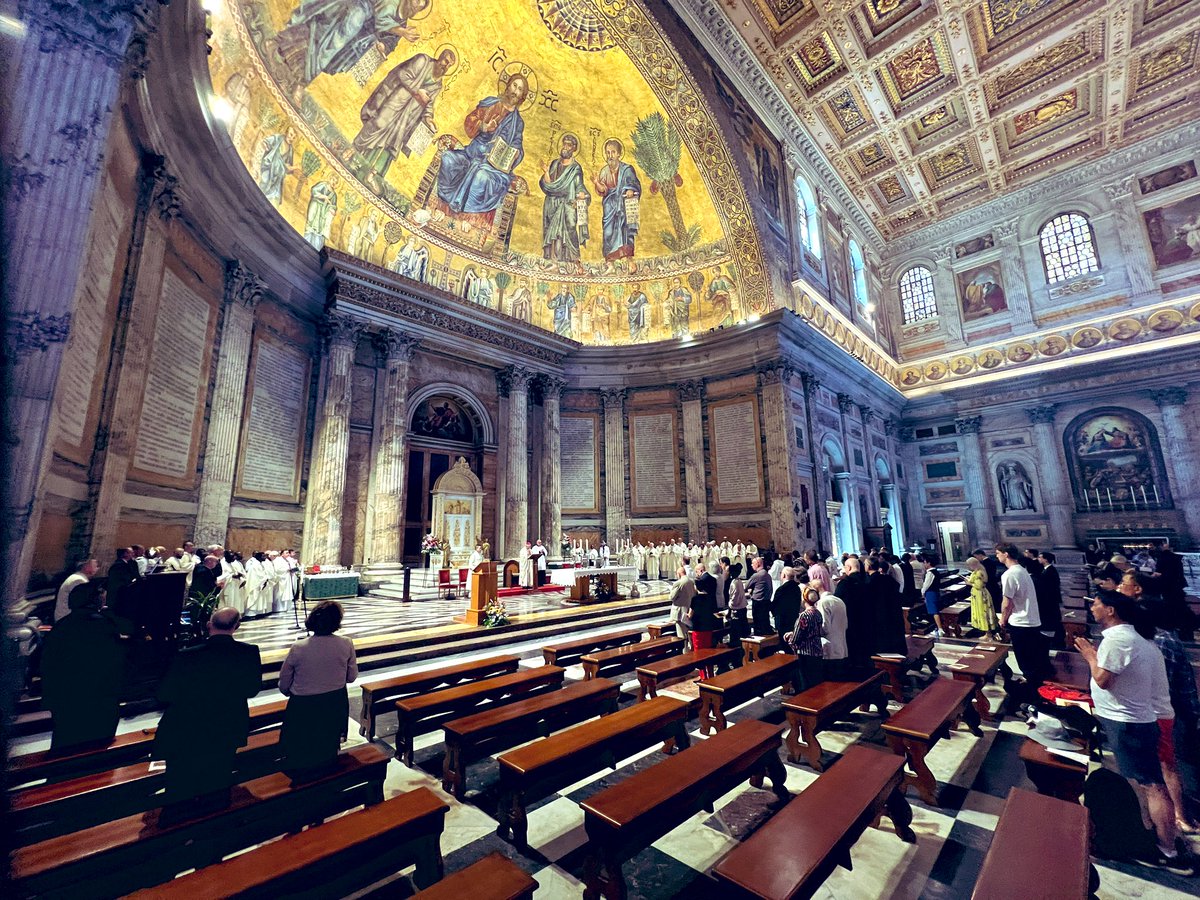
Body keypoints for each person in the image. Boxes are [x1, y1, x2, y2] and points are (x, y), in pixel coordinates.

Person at [1075, 593, 1193, 874]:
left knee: (1152, 784)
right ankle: (1157, 832)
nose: (1092, 607)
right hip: (1134, 719)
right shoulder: (1133, 638)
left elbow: (1103, 680)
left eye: (1096, 603)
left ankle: (1167, 850)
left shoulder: (1119, 639)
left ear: (1111, 610)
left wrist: (1089, 654)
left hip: (1129, 722)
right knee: (1147, 781)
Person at [153, 607, 262, 818]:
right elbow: (252, 689)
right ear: (237, 627)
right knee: (218, 777)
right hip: (227, 725)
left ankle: (176, 822)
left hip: (187, 726)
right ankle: (214, 824)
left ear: (209, 625)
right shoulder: (248, 652)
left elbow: (164, 693)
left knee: (180, 782)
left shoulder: (187, 655)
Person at [1123, 574, 1200, 832]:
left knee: (1169, 766)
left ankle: (1180, 816)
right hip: (1170, 710)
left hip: (1168, 712)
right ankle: (1180, 813)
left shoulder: (1161, 642)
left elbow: (1160, 683)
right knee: (1170, 765)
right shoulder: (1162, 639)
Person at [351, 49, 456, 192]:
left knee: (393, 143)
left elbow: (429, 103)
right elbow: (402, 74)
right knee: (377, 124)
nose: (446, 66)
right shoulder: (423, 61)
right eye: (446, 61)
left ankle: (372, 176)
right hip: (397, 99)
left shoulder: (438, 85)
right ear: (440, 57)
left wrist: (428, 118)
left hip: (410, 114)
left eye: (449, 65)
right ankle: (352, 151)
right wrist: (417, 90)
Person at [435, 75, 529, 227]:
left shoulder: (518, 122)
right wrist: (484, 127)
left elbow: (517, 145)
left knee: (481, 176)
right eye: (514, 85)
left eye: (520, 89)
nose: (515, 91)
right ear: (507, 86)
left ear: (522, 96)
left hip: (493, 167)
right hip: (471, 154)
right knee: (448, 159)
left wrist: (516, 153)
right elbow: (470, 120)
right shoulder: (490, 103)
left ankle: (468, 217)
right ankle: (443, 206)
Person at [41, 582, 125, 751]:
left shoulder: (61, 627)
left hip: (66, 699)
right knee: (97, 747)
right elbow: (116, 661)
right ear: (95, 601)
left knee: (65, 744)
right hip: (99, 698)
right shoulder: (105, 626)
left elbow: (47, 665)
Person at [279, 601, 358, 779]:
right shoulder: (346, 643)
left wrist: (291, 691)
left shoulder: (299, 647)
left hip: (304, 706)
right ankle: (327, 776)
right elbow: (352, 677)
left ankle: (303, 778)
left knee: (303, 746)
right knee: (328, 745)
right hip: (334, 702)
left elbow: (284, 683)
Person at [996, 543, 1049, 691]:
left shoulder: (1009, 574)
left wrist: (1002, 619)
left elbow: (1007, 602)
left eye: (998, 553)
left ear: (1006, 554)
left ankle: (1032, 692)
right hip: (1031, 620)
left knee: (1025, 659)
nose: (997, 556)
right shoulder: (1022, 570)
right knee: (1031, 657)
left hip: (1020, 622)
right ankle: (1034, 685)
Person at [540, 133, 590, 263]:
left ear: (574, 148)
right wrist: (546, 172)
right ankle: (554, 261)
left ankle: (573, 260)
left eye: (569, 145)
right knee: (553, 232)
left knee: (569, 227)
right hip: (552, 203)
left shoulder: (575, 168)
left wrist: (581, 194)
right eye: (564, 144)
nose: (565, 147)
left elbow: (579, 185)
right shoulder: (555, 164)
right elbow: (549, 184)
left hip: (567, 203)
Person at [594, 138, 641, 260]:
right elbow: (603, 190)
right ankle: (610, 261)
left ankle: (629, 260)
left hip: (623, 204)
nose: (610, 155)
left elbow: (634, 184)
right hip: (609, 206)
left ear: (619, 154)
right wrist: (596, 183)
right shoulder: (604, 171)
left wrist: (630, 189)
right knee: (608, 232)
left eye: (613, 152)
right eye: (608, 152)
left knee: (626, 230)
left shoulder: (627, 169)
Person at [837, 557, 872, 674]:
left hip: (850, 620)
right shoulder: (868, 581)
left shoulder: (845, 583)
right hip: (866, 619)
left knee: (853, 649)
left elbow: (837, 603)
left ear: (849, 568)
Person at [788, 586, 824, 692]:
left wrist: (790, 638)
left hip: (806, 652)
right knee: (816, 679)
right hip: (817, 649)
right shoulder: (818, 613)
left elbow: (796, 637)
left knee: (806, 681)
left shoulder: (804, 616)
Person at [867, 556, 906, 655]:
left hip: (880, 613)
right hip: (893, 612)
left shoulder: (870, 581)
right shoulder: (889, 579)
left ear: (869, 566)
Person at [689, 564, 720, 678]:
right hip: (708, 627)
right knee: (708, 651)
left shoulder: (695, 599)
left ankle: (703, 676)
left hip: (698, 629)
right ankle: (710, 674)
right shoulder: (710, 599)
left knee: (699, 652)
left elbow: (690, 615)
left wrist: (687, 615)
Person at [816, 588, 849, 680]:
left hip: (829, 645)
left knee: (830, 679)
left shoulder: (823, 603)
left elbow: (825, 627)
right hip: (841, 644)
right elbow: (846, 624)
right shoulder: (840, 601)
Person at [54, 558, 99, 623]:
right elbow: (83, 606)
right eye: (96, 566)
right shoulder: (78, 580)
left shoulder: (78, 578)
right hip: (66, 621)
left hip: (69, 619)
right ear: (86, 566)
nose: (97, 569)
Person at [965, 556, 1000, 639]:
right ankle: (987, 632)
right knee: (982, 612)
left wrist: (969, 583)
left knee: (983, 613)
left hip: (980, 595)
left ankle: (988, 633)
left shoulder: (979, 572)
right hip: (978, 595)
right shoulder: (978, 571)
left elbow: (979, 585)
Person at [1035, 550, 1064, 648]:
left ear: (1045, 559)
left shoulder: (1050, 571)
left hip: (1050, 599)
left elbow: (1050, 586)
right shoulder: (1046, 570)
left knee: (1053, 619)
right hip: (1050, 598)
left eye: (1040, 557)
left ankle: (1057, 640)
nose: (1038, 559)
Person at [918, 553, 944, 637]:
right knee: (935, 610)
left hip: (930, 593)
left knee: (934, 611)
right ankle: (938, 628)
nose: (924, 564)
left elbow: (926, 585)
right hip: (935, 592)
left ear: (929, 563)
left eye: (925, 562)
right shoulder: (935, 571)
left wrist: (922, 592)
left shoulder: (930, 573)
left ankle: (940, 629)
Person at [747, 555, 774, 636]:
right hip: (766, 600)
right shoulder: (767, 575)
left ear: (758, 564)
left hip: (758, 602)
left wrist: (751, 590)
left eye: (753, 563)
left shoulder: (757, 575)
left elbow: (746, 586)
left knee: (758, 622)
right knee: (765, 621)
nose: (751, 565)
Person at [773, 567, 802, 639]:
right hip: (793, 618)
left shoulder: (781, 589)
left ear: (784, 575)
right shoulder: (797, 588)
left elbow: (776, 605)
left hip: (782, 621)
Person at [667, 564, 695, 640]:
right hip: (689, 609)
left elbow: (672, 597)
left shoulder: (678, 583)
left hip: (680, 612)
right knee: (689, 633)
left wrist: (671, 591)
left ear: (679, 574)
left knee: (681, 634)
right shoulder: (691, 581)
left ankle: (684, 647)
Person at [726, 562, 749, 640]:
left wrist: (730, 605)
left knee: (736, 630)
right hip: (742, 607)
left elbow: (734, 598)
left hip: (737, 609)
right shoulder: (738, 581)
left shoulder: (734, 583)